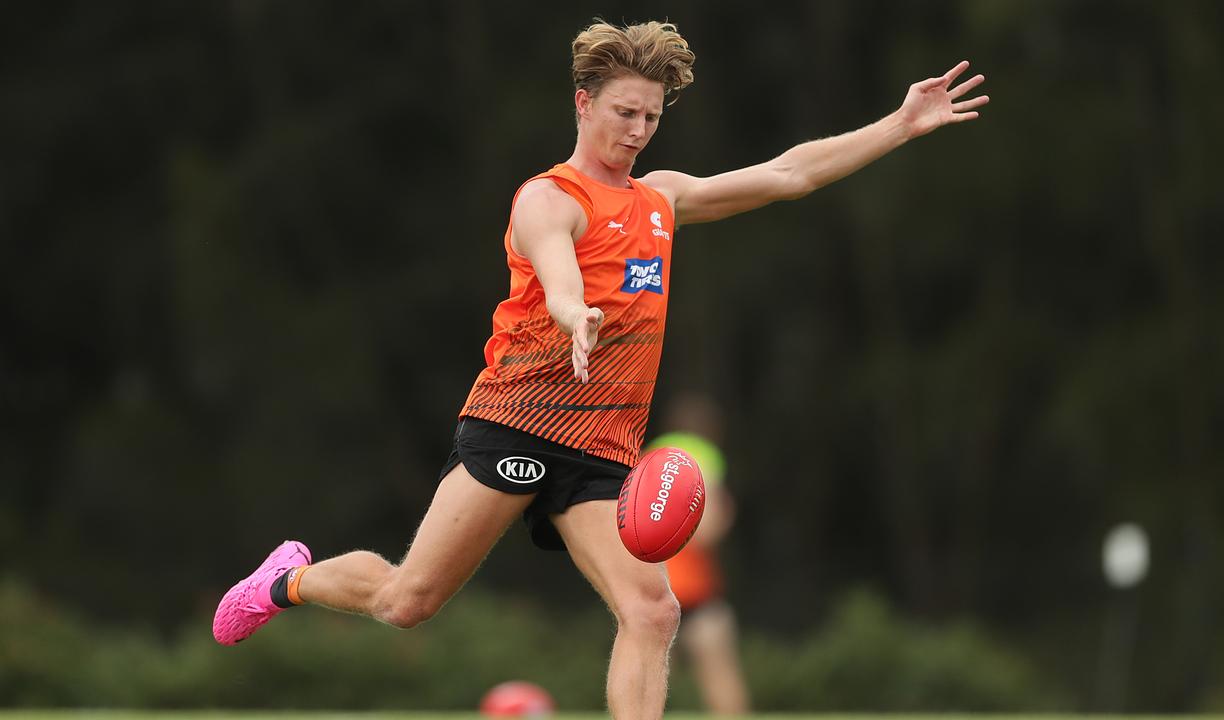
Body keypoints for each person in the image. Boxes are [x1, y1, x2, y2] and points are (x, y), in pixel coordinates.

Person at [212, 19, 987, 720]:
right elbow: (554, 258)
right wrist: (570, 307)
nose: (639, 131)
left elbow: (789, 175)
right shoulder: (550, 197)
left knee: (653, 610)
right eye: (625, 112)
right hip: (514, 423)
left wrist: (899, 124)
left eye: (651, 117)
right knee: (407, 599)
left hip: (602, 452)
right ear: (583, 104)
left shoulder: (660, 199)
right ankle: (289, 578)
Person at [648, 393, 750, 715]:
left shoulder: (650, 457)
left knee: (647, 679)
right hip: (692, 589)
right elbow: (706, 530)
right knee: (720, 674)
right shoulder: (704, 456)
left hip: (652, 586)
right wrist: (728, 513)